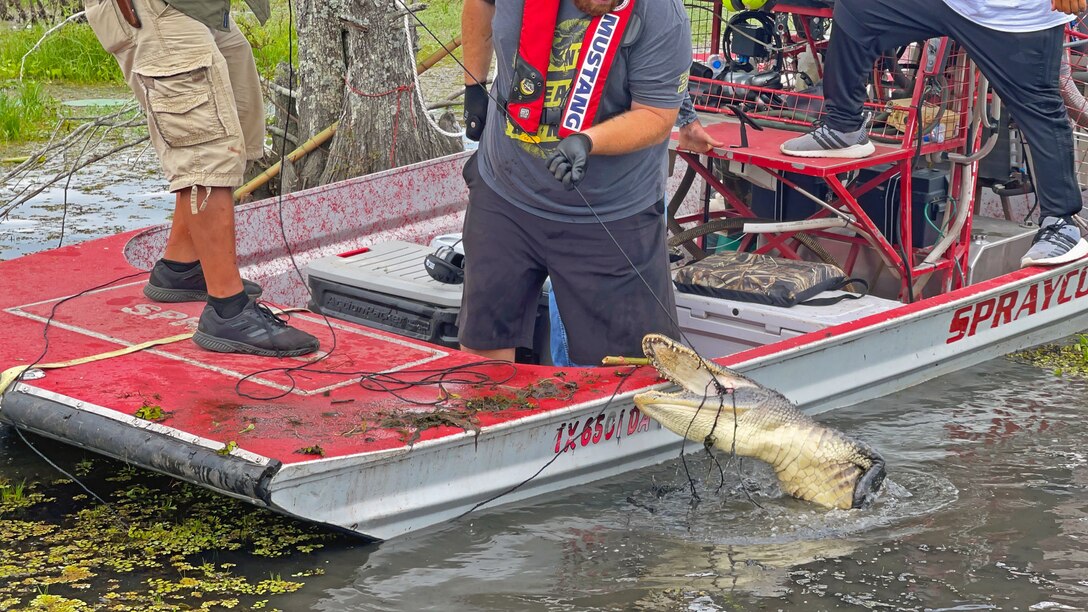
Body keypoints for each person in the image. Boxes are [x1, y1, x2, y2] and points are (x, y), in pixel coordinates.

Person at [460, 0, 693, 365]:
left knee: (625, 371)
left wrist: (589, 141)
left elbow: (656, 115)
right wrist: (474, 84)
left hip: (611, 211)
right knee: (482, 351)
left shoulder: (663, 13)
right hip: (505, 191)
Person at [83, 0, 319, 356]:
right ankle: (228, 312)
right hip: (157, 8)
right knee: (206, 143)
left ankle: (180, 267)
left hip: (198, 7)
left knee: (236, 115)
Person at [779, 0, 1088, 268]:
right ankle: (843, 127)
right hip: (953, 5)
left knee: (1039, 109)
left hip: (1016, 18)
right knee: (859, 8)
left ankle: (1060, 224)